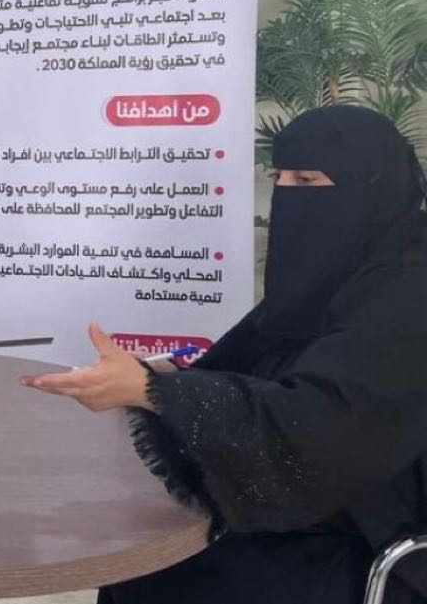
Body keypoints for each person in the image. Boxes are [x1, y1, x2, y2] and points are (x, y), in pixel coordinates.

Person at [24, 106, 427, 603]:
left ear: (373, 185)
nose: (288, 195)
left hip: (366, 534)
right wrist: (163, 375)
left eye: (306, 180)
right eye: (280, 178)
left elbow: (324, 426)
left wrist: (153, 390)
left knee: (161, 572)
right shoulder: (332, 275)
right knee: (140, 550)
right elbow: (247, 361)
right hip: (303, 510)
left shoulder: (409, 294)